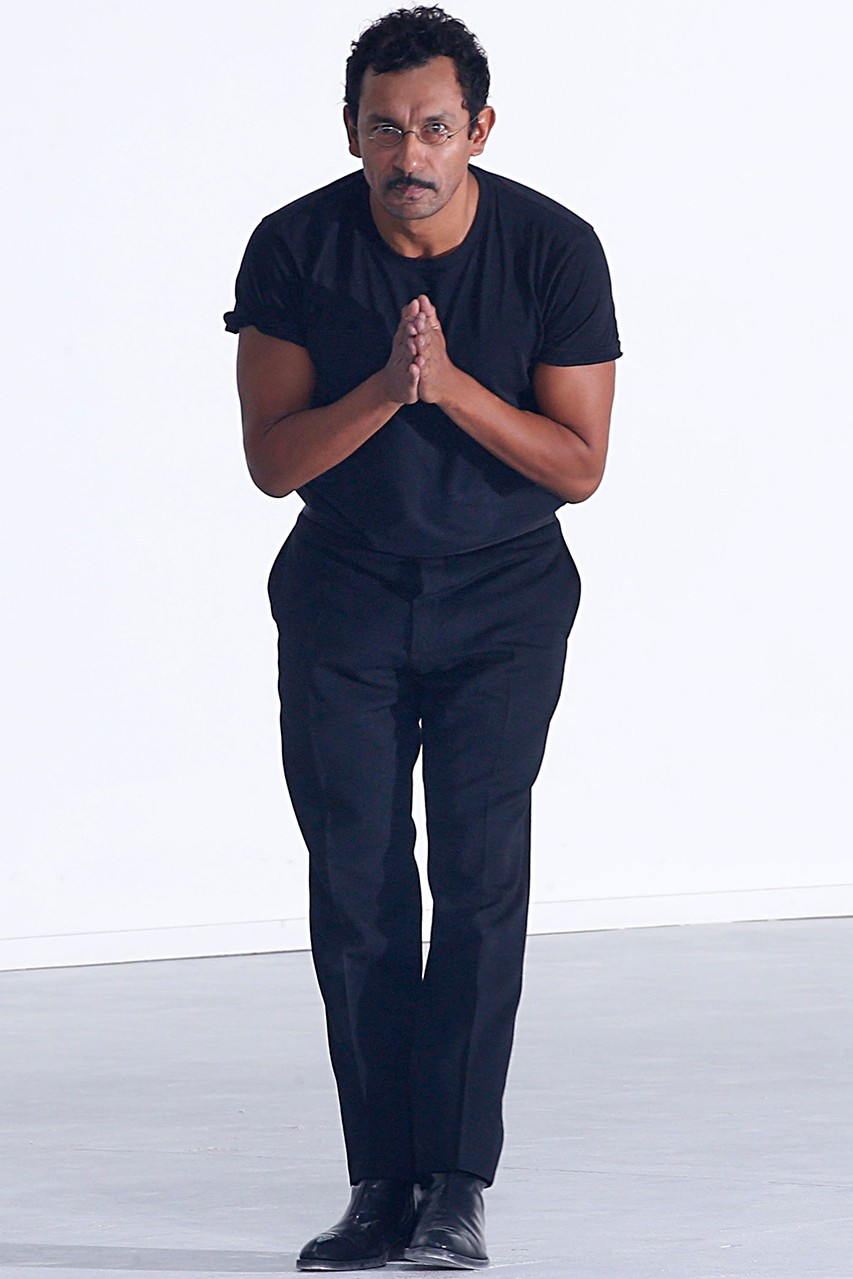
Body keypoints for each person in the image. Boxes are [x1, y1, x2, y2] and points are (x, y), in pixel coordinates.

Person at [224, 5, 620, 1269]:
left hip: (503, 600)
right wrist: (387, 391)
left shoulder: (552, 248)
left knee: (479, 879)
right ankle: (378, 1180)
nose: (411, 154)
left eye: (435, 127)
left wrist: (448, 387)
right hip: (342, 596)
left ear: (478, 129)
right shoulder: (295, 246)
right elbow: (274, 462)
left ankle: (454, 1184)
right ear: (352, 132)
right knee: (356, 888)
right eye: (386, 128)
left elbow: (579, 465)